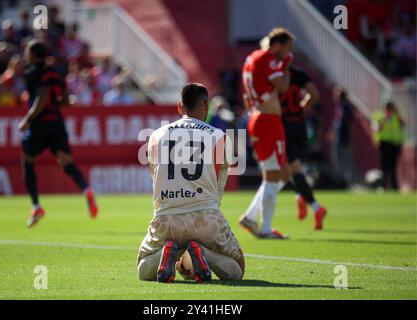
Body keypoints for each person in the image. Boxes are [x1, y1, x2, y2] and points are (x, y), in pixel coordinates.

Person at [137, 83, 244, 283]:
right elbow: (218, 187)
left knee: (142, 268)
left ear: (179, 107)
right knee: (237, 268)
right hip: (205, 216)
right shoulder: (219, 137)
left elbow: (156, 178)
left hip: (166, 217)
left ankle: (169, 253)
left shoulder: (156, 136)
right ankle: (203, 252)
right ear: (206, 105)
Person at [238, 28, 326, 239]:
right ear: (277, 44)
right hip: (268, 121)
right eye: (288, 47)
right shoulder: (267, 58)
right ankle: (265, 227)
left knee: (281, 174)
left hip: (260, 118)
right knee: (274, 175)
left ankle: (252, 217)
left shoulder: (252, 57)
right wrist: (285, 66)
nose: (289, 52)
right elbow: (283, 88)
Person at [18, 40, 98, 228]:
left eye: (28, 52)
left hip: (40, 124)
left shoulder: (32, 72)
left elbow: (42, 96)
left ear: (34, 55)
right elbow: (64, 100)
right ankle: (86, 189)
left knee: (27, 160)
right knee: (66, 161)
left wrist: (28, 119)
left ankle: (36, 206)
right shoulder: (56, 73)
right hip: (57, 123)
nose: (25, 55)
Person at [372, 102, 405, 190]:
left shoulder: (396, 116)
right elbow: (377, 129)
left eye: (391, 108)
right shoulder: (380, 116)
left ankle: (394, 187)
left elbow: (402, 124)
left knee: (393, 167)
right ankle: (383, 186)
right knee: (384, 166)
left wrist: (397, 115)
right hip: (384, 144)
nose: (390, 110)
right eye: (388, 108)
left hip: (394, 144)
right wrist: (385, 120)